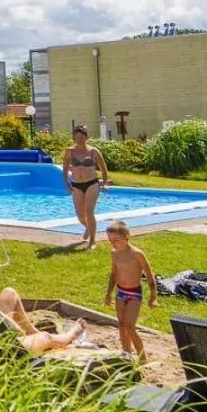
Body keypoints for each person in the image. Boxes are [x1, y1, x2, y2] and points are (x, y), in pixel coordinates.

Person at [103, 220, 157, 361]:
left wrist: (153, 297)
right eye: (110, 240)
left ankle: (142, 357)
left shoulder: (137, 254)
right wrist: (108, 293)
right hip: (120, 292)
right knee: (121, 325)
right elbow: (113, 274)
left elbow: (150, 274)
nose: (112, 243)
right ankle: (126, 354)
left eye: (116, 240)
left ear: (127, 237)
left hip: (134, 293)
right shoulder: (114, 253)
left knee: (130, 326)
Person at [63, 125, 109, 250]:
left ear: (86, 137)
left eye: (82, 137)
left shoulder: (94, 151)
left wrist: (104, 182)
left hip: (92, 183)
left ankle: (92, 241)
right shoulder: (69, 151)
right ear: (73, 138)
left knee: (89, 212)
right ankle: (88, 228)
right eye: (77, 137)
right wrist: (67, 184)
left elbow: (103, 167)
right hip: (76, 185)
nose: (79, 139)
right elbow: (65, 168)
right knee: (80, 215)